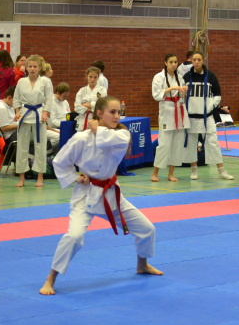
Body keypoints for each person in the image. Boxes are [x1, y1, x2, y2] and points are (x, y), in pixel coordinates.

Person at [39, 96, 161, 295]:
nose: (117, 116)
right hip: (86, 195)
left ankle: (142, 264)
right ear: (99, 113)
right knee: (74, 236)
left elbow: (105, 140)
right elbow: (60, 161)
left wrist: (97, 129)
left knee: (147, 229)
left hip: (111, 195)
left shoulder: (122, 135)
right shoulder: (81, 138)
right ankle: (50, 278)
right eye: (112, 112)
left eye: (119, 112)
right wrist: (76, 177)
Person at [183, 52, 233, 181]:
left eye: (199, 59)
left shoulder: (210, 76)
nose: (196, 62)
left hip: (207, 117)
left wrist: (210, 106)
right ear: (192, 61)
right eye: (194, 60)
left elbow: (217, 95)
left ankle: (221, 170)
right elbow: (182, 95)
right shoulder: (186, 77)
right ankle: (194, 170)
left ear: (203, 60)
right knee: (191, 144)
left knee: (213, 143)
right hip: (191, 117)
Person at [13, 54, 54, 188]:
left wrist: (45, 112)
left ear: (39, 68)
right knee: (22, 147)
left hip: (39, 114)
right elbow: (16, 98)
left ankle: (40, 176)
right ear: (26, 68)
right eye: (30, 66)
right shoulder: (21, 82)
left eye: (35, 66)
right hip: (24, 114)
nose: (32, 69)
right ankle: (22, 177)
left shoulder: (45, 81)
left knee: (40, 147)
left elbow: (49, 98)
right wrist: (17, 112)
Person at [151, 54, 188, 183]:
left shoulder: (180, 77)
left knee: (177, 145)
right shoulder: (159, 77)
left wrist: (184, 91)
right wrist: (172, 88)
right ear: (165, 63)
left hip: (179, 111)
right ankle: (155, 173)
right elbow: (156, 95)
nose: (173, 64)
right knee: (164, 145)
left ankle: (171, 173)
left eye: (175, 62)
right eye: (171, 62)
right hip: (166, 112)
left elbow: (182, 96)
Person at [73, 67, 107, 131]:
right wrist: (93, 107)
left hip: (96, 120)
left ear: (98, 77)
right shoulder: (82, 90)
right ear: (87, 76)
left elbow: (102, 106)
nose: (92, 79)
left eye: (95, 77)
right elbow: (77, 107)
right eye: (90, 77)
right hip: (82, 121)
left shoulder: (102, 90)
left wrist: (85, 105)